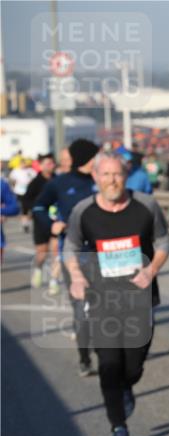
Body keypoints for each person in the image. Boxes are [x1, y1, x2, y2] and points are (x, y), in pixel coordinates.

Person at [65, 152, 169, 436]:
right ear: (95, 177)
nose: (112, 180)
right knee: (109, 365)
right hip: (101, 299)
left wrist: (151, 270)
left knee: (133, 366)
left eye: (117, 174)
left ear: (126, 176)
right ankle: (118, 427)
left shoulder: (146, 206)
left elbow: (164, 241)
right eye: (106, 175)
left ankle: (127, 385)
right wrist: (76, 276)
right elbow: (71, 246)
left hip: (139, 298)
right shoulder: (83, 211)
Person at [32, 138, 101, 376]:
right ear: (86, 158)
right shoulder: (60, 183)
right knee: (81, 308)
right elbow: (38, 207)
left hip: (105, 255)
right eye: (95, 156)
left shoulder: (102, 180)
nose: (98, 160)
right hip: (74, 255)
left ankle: (106, 352)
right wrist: (52, 224)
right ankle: (85, 359)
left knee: (104, 307)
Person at [24, 153, 57, 288]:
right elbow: (26, 200)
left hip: (56, 222)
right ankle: (38, 270)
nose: (51, 166)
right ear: (41, 166)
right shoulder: (35, 183)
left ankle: (54, 281)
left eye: (52, 163)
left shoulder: (58, 180)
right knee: (42, 253)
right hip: (40, 222)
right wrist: (34, 210)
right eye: (48, 164)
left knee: (56, 252)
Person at [10, 158, 37, 232]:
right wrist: (13, 187)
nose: (23, 165)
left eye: (24, 163)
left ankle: (28, 221)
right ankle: (25, 224)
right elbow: (12, 180)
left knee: (31, 208)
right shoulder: (15, 171)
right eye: (22, 163)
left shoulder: (30, 171)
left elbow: (35, 179)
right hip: (20, 192)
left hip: (29, 192)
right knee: (24, 208)